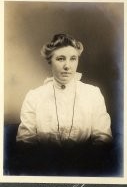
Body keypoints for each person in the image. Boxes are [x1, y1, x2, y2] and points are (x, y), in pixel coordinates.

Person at [16, 33, 112, 175]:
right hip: (44, 171)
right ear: (50, 61)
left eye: (73, 59)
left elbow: (103, 139)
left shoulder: (93, 94)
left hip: (86, 171)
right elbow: (25, 142)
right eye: (60, 59)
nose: (67, 66)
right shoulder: (34, 96)